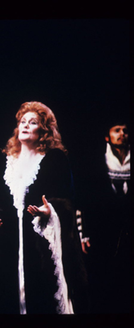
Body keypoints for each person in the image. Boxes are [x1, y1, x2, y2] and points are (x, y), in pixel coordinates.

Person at [0, 101, 87, 314]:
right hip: (7, 246)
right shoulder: (3, 161)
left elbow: (67, 201)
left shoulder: (54, 160)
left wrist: (50, 212)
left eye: (32, 122)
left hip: (39, 248)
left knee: (42, 300)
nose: (25, 125)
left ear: (43, 130)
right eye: (22, 121)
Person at [76, 119, 130, 313]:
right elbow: (83, 200)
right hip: (102, 230)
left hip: (127, 229)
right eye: (117, 130)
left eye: (125, 130)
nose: (122, 134)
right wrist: (83, 233)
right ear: (108, 136)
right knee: (103, 281)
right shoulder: (98, 161)